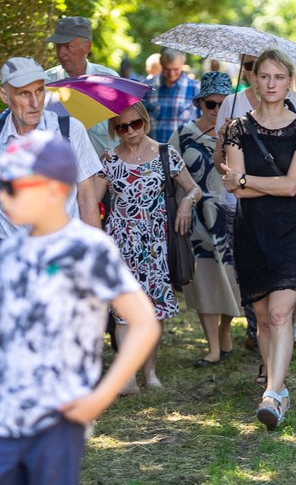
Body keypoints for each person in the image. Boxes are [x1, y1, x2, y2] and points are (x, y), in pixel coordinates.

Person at [0, 131, 159, 485]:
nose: (3, 193)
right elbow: (4, 333)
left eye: (15, 185)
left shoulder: (89, 249)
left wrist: (99, 397)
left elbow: (145, 324)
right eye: (2, 184)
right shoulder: (9, 250)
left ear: (54, 190)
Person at [219, 48, 296, 430]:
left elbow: (294, 183)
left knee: (280, 314)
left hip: (292, 231)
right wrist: (268, 186)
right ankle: (278, 388)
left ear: (289, 81)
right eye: (265, 77)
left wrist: (245, 180)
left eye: (279, 77)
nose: (272, 84)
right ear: (253, 81)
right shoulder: (237, 128)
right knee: (261, 316)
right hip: (251, 232)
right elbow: (240, 193)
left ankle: (273, 393)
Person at [0, 57, 101, 294]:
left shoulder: (69, 131)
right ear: (4, 96)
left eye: (39, 91)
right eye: (24, 94)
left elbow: (87, 198)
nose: (35, 102)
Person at [95, 102, 202, 394]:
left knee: (152, 310)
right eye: (122, 127)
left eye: (135, 124)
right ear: (115, 130)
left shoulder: (166, 153)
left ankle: (150, 371)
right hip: (120, 242)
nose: (130, 132)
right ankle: (127, 375)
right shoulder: (109, 159)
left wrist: (185, 203)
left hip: (156, 243)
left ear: (145, 121)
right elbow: (91, 200)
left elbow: (195, 188)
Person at [168, 72, 242, 366]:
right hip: (196, 221)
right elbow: (168, 170)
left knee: (232, 280)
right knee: (204, 281)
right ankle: (212, 346)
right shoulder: (183, 134)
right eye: (211, 104)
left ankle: (225, 331)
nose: (216, 110)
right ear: (200, 103)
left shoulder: (240, 134)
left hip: (233, 218)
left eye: (224, 105)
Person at [43, 16, 120, 157]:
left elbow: (124, 126)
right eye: (58, 47)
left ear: (87, 47)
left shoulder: (108, 80)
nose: (61, 53)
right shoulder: (46, 83)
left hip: (105, 171)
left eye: (67, 47)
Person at [144, 48, 200, 143]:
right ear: (161, 63)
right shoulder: (147, 87)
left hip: (183, 152)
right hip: (153, 151)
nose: (171, 74)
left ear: (183, 63)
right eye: (167, 69)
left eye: (175, 69)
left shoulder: (196, 88)